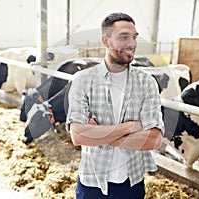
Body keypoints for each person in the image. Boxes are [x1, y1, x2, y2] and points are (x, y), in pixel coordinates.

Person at [66, 12, 164, 199]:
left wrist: (99, 134)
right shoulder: (83, 81)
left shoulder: (147, 82)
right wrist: (130, 127)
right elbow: (78, 136)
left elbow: (154, 140)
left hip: (132, 184)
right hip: (91, 183)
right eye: (123, 37)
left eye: (134, 37)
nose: (132, 44)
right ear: (106, 41)